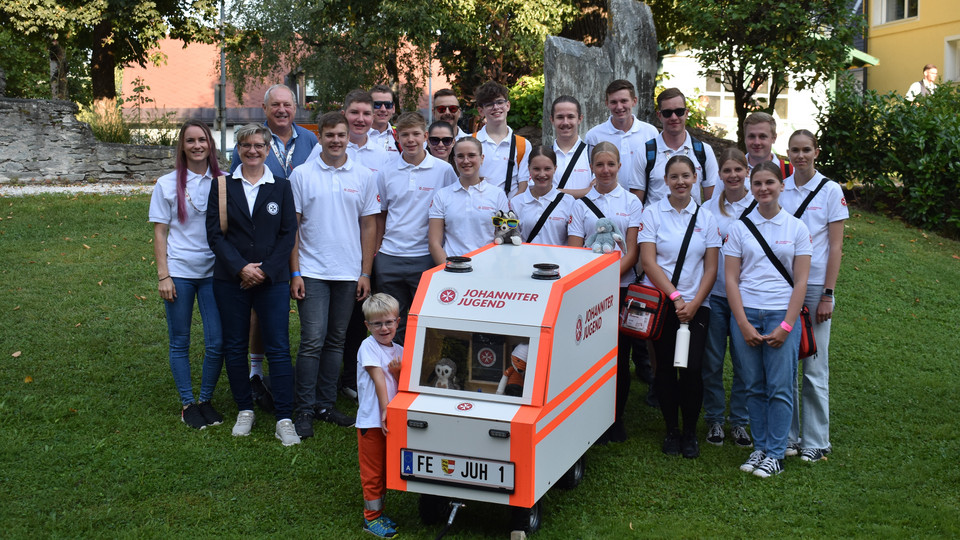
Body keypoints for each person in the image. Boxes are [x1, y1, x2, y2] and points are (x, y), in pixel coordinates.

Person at [206, 123, 300, 446]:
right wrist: (241, 268)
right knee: (235, 346)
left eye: (259, 145)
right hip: (231, 280)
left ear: (267, 148)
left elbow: (288, 233)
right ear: (238, 149)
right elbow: (215, 236)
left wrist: (266, 270)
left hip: (272, 280)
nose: (252, 151)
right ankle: (244, 409)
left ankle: (284, 417)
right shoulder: (222, 186)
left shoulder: (282, 187)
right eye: (246, 146)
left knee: (278, 347)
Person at [289, 112, 380, 438]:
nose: (336, 140)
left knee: (336, 341)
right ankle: (304, 409)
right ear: (321, 137)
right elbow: (293, 227)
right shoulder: (302, 174)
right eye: (330, 135)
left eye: (341, 135)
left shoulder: (364, 175)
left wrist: (365, 272)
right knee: (312, 340)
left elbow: (369, 224)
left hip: (348, 271)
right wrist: (295, 271)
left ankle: (326, 404)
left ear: (347, 137)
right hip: (312, 270)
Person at [229, 83, 318, 410]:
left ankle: (299, 374)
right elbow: (233, 193)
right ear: (265, 109)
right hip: (257, 240)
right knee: (257, 311)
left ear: (296, 108)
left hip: (300, 234)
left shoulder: (310, 140)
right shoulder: (251, 141)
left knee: (285, 310)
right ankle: (255, 373)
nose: (282, 110)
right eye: (275, 105)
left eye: (288, 105)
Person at [724, 161, 812, 477]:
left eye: (770, 183)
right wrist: (743, 323)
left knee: (780, 386)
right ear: (751, 187)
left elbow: (801, 281)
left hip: (781, 314)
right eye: (758, 183)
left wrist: (787, 326)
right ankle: (760, 447)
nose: (764, 189)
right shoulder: (739, 228)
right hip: (747, 314)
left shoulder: (797, 229)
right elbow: (731, 280)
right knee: (753, 386)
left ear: (781, 186)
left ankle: (776, 453)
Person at [639, 155, 720, 458]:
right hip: (663, 303)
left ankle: (690, 432)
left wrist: (695, 303)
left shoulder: (706, 217)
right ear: (665, 180)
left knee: (692, 369)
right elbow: (648, 261)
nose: (680, 182)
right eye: (674, 177)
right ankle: (671, 430)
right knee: (664, 368)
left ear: (695, 178)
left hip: (697, 305)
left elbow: (711, 268)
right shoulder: (652, 213)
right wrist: (675, 298)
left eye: (685, 176)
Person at [149, 120, 225, 429]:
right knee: (179, 340)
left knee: (217, 340)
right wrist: (163, 275)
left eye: (202, 140)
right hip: (179, 271)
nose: (197, 145)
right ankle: (187, 403)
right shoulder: (166, 184)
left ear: (211, 144)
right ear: (182, 146)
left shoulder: (223, 180)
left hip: (214, 272)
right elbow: (160, 232)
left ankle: (206, 400)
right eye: (190, 140)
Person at [781, 129, 848, 463]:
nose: (801, 155)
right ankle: (790, 436)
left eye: (806, 149)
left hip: (816, 288)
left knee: (815, 366)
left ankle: (817, 439)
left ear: (816, 152)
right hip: (784, 287)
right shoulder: (781, 189)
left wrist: (828, 294)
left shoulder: (830, 190)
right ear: (787, 153)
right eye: (795, 150)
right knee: (786, 365)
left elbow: (835, 246)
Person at [568, 142, 642, 442]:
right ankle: (589, 417)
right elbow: (574, 247)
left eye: (611, 164)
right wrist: (593, 281)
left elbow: (633, 249)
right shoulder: (579, 202)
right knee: (590, 356)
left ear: (619, 166)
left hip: (621, 288)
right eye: (600, 165)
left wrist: (611, 276)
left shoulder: (632, 202)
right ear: (592, 168)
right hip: (588, 290)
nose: (606, 170)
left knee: (619, 357)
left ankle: (615, 417)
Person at [376, 112, 457, 345]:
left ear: (425, 136)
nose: (410, 140)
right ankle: (396, 374)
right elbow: (381, 216)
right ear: (397, 138)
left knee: (425, 318)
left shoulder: (443, 170)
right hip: (390, 257)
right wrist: (378, 253)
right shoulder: (386, 172)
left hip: (425, 256)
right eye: (404, 135)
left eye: (415, 134)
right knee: (392, 322)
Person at [701, 148, 755, 448]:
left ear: (747, 171)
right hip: (715, 295)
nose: (733, 176)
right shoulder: (709, 209)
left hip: (747, 297)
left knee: (744, 362)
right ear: (719, 175)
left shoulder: (758, 204)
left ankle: (739, 422)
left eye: (738, 170)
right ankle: (714, 420)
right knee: (712, 361)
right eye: (727, 171)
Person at [355, 293, 403, 538]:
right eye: (377, 324)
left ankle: (379, 512)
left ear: (397, 322)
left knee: (386, 469)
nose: (384, 328)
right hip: (373, 421)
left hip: (390, 421)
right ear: (368, 326)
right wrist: (386, 410)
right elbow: (378, 380)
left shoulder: (401, 351)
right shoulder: (368, 346)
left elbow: (399, 384)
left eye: (389, 322)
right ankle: (371, 518)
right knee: (372, 471)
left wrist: (397, 374)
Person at [630, 87, 717, 205]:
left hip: (693, 222)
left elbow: (712, 203)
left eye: (679, 111)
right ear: (659, 116)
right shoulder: (645, 152)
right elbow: (636, 203)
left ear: (686, 113)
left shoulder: (704, 151)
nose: (674, 117)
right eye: (667, 113)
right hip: (655, 222)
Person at [428, 137, 510, 264]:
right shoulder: (442, 195)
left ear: (482, 158)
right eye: (460, 156)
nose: (466, 161)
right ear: (454, 160)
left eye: (471, 155)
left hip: (488, 269)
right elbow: (434, 244)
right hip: (452, 269)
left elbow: (504, 237)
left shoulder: (497, 195)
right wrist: (449, 269)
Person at [585, 79, 658, 191]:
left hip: (642, 202)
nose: (619, 107)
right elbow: (591, 173)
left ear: (634, 101)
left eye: (624, 101)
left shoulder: (650, 132)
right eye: (614, 102)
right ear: (607, 103)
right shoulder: (594, 135)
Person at [473, 80, 529, 199]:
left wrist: (509, 208)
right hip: (478, 208)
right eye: (489, 104)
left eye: (499, 102)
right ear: (481, 111)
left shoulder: (522, 144)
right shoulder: (471, 141)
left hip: (509, 212)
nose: (496, 107)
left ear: (507, 105)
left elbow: (523, 184)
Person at [509, 146, 576, 246]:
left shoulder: (569, 201)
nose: (542, 174)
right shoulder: (516, 202)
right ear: (529, 169)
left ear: (555, 169)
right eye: (536, 169)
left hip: (557, 261)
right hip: (525, 261)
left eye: (547, 169)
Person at [550, 95, 594, 198]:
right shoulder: (543, 155)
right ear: (552, 120)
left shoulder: (592, 153)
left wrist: (553, 192)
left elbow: (599, 192)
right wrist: (585, 192)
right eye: (560, 117)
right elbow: (535, 192)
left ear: (580, 119)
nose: (565, 122)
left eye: (570, 116)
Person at [743, 112, 792, 178]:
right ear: (745, 138)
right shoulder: (730, 170)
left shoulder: (790, 171)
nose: (757, 142)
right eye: (752, 136)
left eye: (762, 136)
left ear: (774, 138)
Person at [369, 84, 400, 155]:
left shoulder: (401, 138)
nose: (383, 109)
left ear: (393, 108)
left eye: (388, 105)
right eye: (377, 104)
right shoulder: (355, 137)